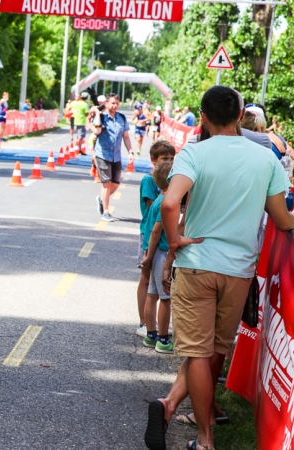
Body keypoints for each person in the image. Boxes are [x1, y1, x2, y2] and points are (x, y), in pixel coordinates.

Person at [144, 86, 294, 450]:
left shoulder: (194, 153)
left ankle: (204, 439)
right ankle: (171, 409)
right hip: (239, 271)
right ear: (240, 113)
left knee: (197, 351)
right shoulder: (266, 159)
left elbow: (170, 203)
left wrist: (176, 240)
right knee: (214, 351)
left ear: (205, 117)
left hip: (196, 265)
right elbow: (283, 221)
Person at [136, 141, 175, 338]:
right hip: (150, 236)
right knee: (148, 280)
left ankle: (153, 327)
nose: (168, 163)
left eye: (170, 159)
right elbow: (156, 216)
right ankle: (144, 323)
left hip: (156, 239)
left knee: (154, 289)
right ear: (153, 160)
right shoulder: (150, 182)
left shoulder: (168, 186)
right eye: (164, 159)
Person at [92, 94, 134, 222]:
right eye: (112, 103)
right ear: (106, 104)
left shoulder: (121, 118)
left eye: (117, 103)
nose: (115, 105)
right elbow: (97, 131)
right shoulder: (101, 118)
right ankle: (106, 212)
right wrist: (97, 113)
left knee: (115, 184)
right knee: (107, 183)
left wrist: (130, 151)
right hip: (103, 154)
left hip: (116, 156)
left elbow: (126, 136)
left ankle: (101, 199)